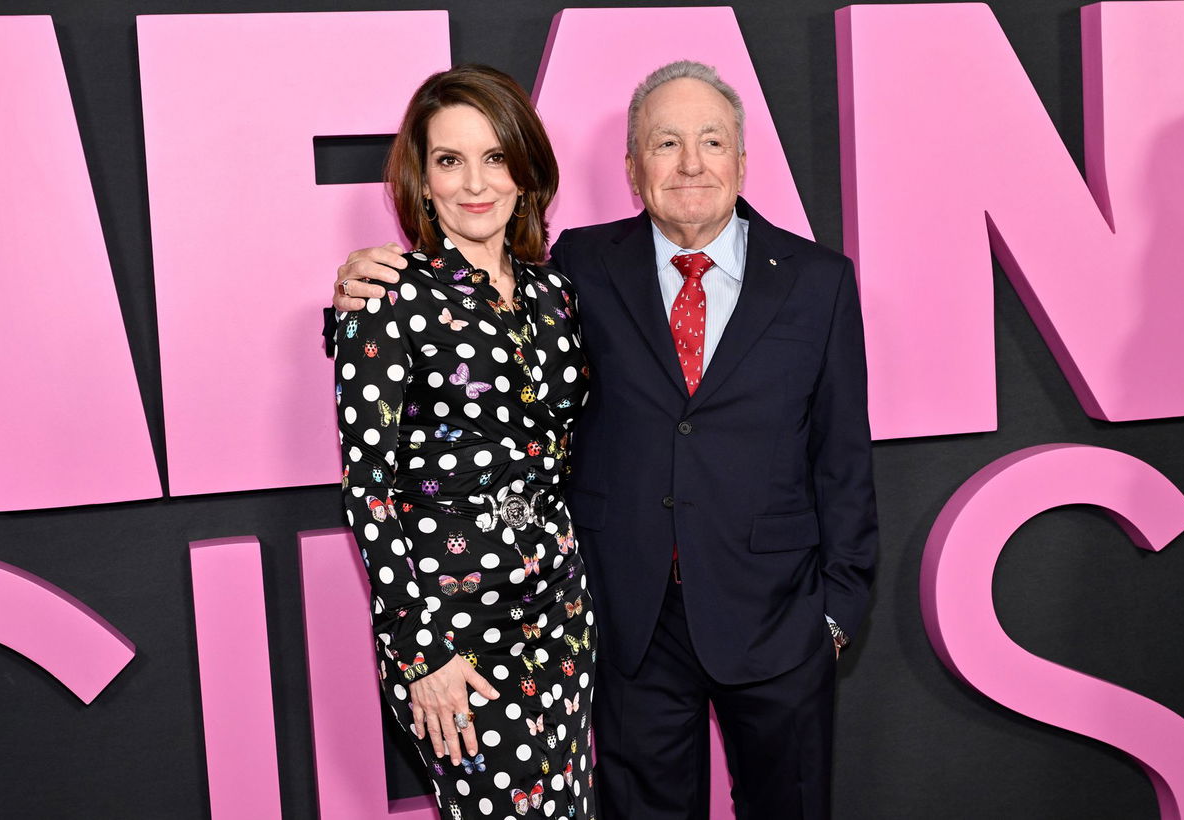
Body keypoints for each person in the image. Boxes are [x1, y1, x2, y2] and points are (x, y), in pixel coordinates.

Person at [334, 60, 877, 820]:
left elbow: (843, 456)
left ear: (742, 160)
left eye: (712, 141)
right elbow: (378, 471)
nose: (690, 164)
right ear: (631, 168)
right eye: (665, 144)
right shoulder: (585, 266)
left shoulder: (817, 281)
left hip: (773, 624)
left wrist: (836, 613)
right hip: (624, 622)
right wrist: (357, 289)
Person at [333, 64, 596, 820]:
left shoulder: (556, 292)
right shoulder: (387, 296)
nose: (474, 183)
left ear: (525, 170)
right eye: (449, 160)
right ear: (422, 181)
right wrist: (422, 656)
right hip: (456, 634)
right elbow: (367, 491)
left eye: (493, 157)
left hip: (561, 609)